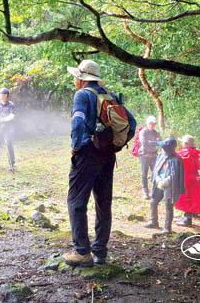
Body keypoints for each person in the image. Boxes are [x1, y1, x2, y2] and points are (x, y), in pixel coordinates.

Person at [63, 60, 128, 267]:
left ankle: (82, 252)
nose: (75, 80)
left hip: (87, 153)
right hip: (107, 154)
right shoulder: (110, 95)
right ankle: (100, 252)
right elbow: (132, 123)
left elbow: (78, 122)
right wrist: (115, 145)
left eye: (76, 77)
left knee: (76, 201)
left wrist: (76, 147)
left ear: (81, 78)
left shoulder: (82, 95)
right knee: (103, 202)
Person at [146, 137, 185, 234]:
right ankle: (154, 222)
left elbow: (176, 175)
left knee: (168, 205)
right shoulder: (161, 155)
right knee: (153, 201)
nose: (162, 149)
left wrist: (167, 180)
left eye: (164, 147)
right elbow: (156, 169)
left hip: (170, 185)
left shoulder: (176, 159)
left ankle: (167, 228)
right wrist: (158, 178)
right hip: (159, 182)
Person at [174, 135, 200, 227]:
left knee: (187, 198)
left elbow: (178, 162)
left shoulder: (187, 154)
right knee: (190, 198)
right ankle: (185, 216)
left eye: (183, 142)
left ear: (186, 144)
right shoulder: (194, 153)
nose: (181, 144)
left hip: (190, 181)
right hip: (196, 180)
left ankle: (187, 219)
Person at [0, 87, 16, 172]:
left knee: (9, 145)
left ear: (5, 95)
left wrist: (3, 120)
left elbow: (12, 116)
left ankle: (12, 164)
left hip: (8, 129)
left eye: (1, 94)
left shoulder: (11, 104)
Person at [137, 116, 160, 199]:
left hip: (154, 156)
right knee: (144, 174)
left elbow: (160, 142)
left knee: (155, 173)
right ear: (147, 123)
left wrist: (156, 143)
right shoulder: (143, 132)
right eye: (150, 123)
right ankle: (145, 192)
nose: (152, 125)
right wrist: (155, 142)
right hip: (144, 156)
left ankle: (154, 191)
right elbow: (144, 142)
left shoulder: (156, 132)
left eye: (153, 124)